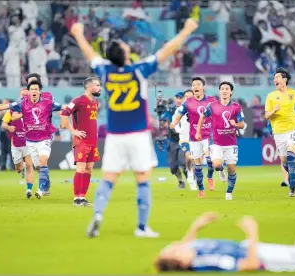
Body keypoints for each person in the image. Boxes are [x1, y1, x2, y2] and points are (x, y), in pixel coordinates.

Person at [69, 18, 199, 238]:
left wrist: (78, 34)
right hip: (138, 134)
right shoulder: (140, 70)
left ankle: (98, 214)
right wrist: (186, 30)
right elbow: (168, 49)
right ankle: (141, 228)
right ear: (124, 53)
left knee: (109, 178)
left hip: (115, 135)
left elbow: (89, 54)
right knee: (142, 179)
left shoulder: (106, 71)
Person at [154, 212, 295, 272]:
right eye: (174, 250)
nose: (175, 245)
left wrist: (196, 226)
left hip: (256, 249)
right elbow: (249, 264)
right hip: (264, 258)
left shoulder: (191, 252)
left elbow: (186, 244)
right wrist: (252, 233)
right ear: (181, 262)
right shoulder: (207, 261)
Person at [0, 80, 64, 199]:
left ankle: (39, 189)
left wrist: (75, 108)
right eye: (30, 90)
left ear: (40, 92)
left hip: (42, 139)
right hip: (24, 142)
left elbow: (63, 107)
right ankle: (29, 174)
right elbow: (5, 110)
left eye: (36, 89)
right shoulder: (19, 106)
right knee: (25, 167)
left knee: (41, 161)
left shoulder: (46, 103)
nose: (32, 92)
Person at [196, 81, 245, 200]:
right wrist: (198, 131)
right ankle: (220, 170)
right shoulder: (212, 105)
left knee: (232, 169)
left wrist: (236, 124)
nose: (224, 91)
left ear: (231, 92)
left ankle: (229, 192)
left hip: (231, 143)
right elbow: (202, 116)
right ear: (219, 91)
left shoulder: (236, 107)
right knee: (217, 165)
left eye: (227, 89)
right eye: (222, 89)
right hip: (216, 142)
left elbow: (242, 124)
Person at [170, 77, 216, 198]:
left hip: (208, 135)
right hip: (194, 138)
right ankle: (201, 189)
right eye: (193, 85)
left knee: (210, 159)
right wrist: (174, 122)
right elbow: (179, 114)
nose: (195, 86)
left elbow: (219, 112)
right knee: (198, 165)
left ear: (203, 86)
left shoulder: (211, 100)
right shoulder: (188, 102)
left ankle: (210, 177)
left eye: (198, 84)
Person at [265, 68, 295, 197]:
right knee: (284, 161)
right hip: (278, 132)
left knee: (290, 154)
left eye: (277, 77)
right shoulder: (271, 96)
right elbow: (267, 115)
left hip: (293, 128)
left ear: (285, 80)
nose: (274, 80)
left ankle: (292, 187)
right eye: (274, 78)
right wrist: (274, 111)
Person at [60, 77, 101, 207]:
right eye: (97, 85)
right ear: (89, 87)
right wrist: (73, 131)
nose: (100, 88)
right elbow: (64, 114)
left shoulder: (95, 102)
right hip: (82, 141)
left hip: (93, 141)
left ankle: (82, 197)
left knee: (89, 169)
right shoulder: (77, 101)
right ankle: (76, 199)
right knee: (81, 168)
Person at [1, 95, 35, 198]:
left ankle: (29, 189)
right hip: (15, 144)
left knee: (30, 165)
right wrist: (8, 126)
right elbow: (3, 125)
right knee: (18, 168)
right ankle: (21, 168)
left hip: (28, 143)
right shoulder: (11, 111)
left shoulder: (32, 111)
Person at [267, 109, 295, 187]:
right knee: (284, 159)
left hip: (294, 136)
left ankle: (292, 173)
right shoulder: (279, 111)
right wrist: (272, 132)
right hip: (282, 136)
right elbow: (270, 123)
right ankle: (287, 179)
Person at [174, 90, 195, 190]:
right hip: (184, 139)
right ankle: (189, 172)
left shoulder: (198, 109)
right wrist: (179, 130)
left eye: (190, 96)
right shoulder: (181, 109)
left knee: (195, 159)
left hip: (196, 139)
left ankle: (192, 176)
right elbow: (175, 121)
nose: (188, 98)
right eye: (187, 96)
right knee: (189, 157)